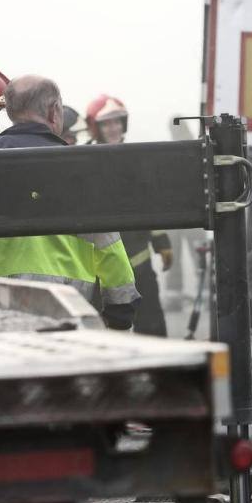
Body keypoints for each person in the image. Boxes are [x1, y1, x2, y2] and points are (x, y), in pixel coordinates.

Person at [0, 75, 140, 330]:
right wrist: (120, 309)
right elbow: (108, 243)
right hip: (66, 310)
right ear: (54, 110)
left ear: (10, 112)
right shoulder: (81, 170)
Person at [86, 93, 173, 336]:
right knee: (103, 330)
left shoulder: (136, 159)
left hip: (140, 259)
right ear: (96, 128)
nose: (113, 128)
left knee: (152, 326)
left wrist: (162, 243)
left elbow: (151, 206)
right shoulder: (83, 161)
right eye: (106, 123)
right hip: (101, 266)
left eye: (117, 122)